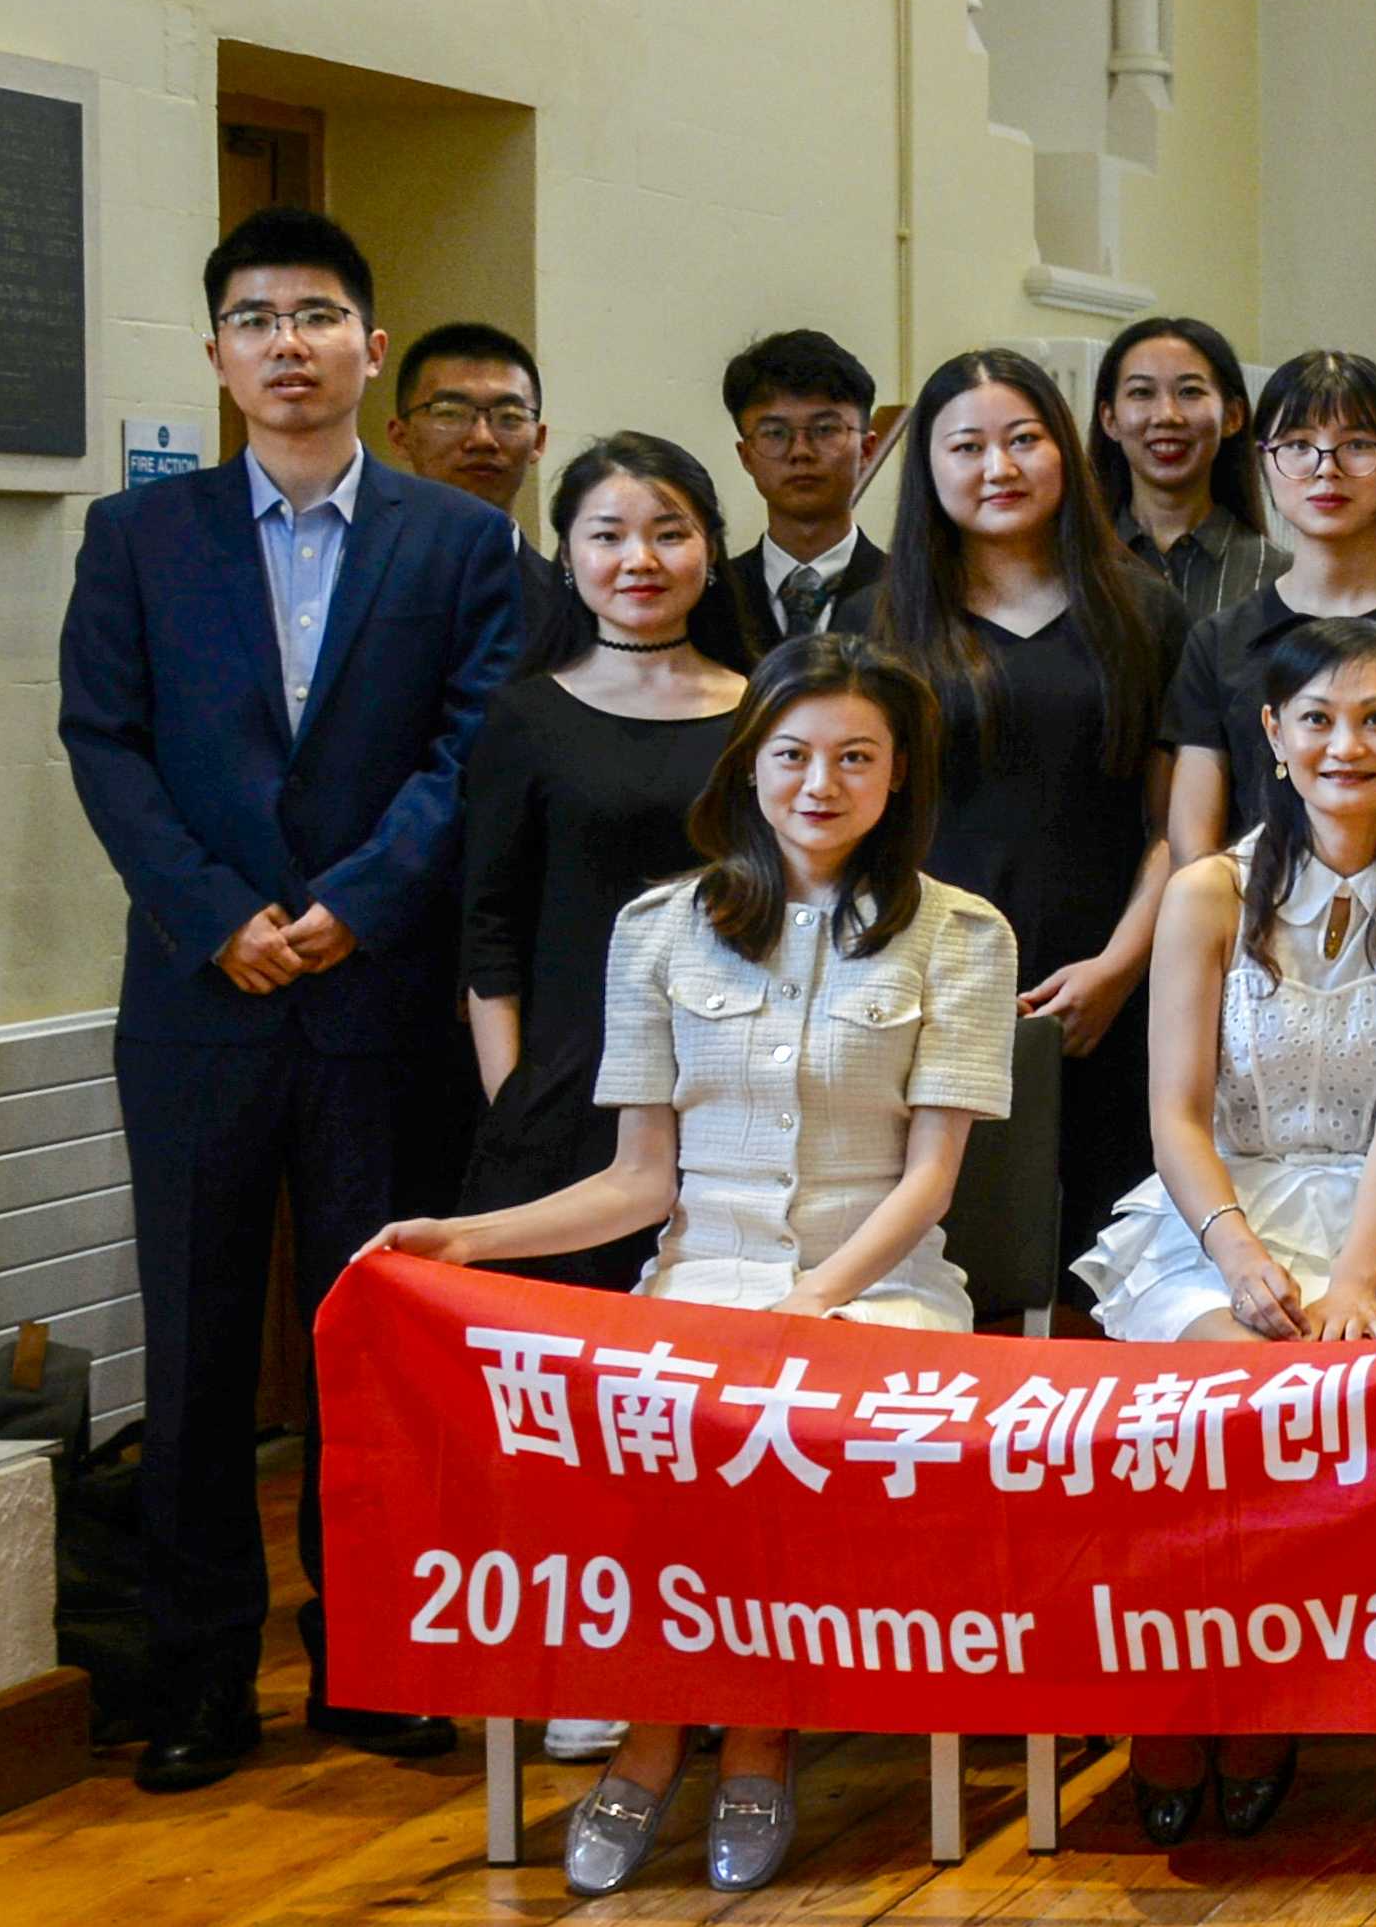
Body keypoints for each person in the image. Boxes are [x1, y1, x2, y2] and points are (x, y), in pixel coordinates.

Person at [374, 635, 1018, 1896]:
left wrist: (813, 1300)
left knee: (780, 1425)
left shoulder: (964, 934)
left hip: (877, 1288)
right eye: (793, 754)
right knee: (640, 1427)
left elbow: (928, 1183)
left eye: (857, 757)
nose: (821, 783)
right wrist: (466, 1237)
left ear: (898, 774)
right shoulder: (658, 928)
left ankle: (753, 1744)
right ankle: (658, 1733)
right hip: (700, 1281)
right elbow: (637, 1183)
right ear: (749, 762)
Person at [59, 205, 525, 1790]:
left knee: (369, 1346)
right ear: (216, 352)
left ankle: (376, 1659)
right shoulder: (140, 534)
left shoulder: (457, 541)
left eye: (315, 314)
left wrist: (356, 902)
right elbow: (104, 739)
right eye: (254, 317)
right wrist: (215, 915)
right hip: (200, 998)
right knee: (195, 1351)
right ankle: (197, 1679)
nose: (286, 342)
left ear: (368, 347)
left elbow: (470, 743)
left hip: (375, 996)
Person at [1088, 613, 1376, 1842]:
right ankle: (1182, 1689)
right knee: (1222, 1398)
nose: (1346, 744)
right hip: (1217, 1208)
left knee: (1357, 1388)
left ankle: (1269, 1691)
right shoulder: (1207, 891)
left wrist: (1357, 1281)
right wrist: (1237, 1252)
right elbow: (1174, 1111)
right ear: (1272, 733)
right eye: (1317, 718)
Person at [852, 346, 1185, 1260]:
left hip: (1111, 988)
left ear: (1066, 452)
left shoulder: (1145, 611)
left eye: (1024, 440)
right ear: (928, 468)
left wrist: (1119, 966)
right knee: (940, 1252)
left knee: (1107, 1263)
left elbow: (1178, 826)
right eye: (966, 447)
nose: (998, 467)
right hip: (922, 985)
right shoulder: (875, 620)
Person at [458, 433, 750, 1294]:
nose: (639, 560)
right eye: (608, 535)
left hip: (733, 1075)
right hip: (565, 1085)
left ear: (710, 548)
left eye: (670, 532)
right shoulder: (525, 716)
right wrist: (512, 1095)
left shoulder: (767, 707)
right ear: (567, 555)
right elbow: (489, 925)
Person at [1164, 350, 1376, 889]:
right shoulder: (1217, 641)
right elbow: (1193, 847)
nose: (1326, 468)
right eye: (1298, 446)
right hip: (1246, 920)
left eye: (1357, 445)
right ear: (1263, 462)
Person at [697, 328, 893, 668]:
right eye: (775, 433)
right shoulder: (708, 598)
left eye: (825, 430)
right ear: (746, 456)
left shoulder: (915, 592)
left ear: (867, 450)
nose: (800, 452)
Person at [388, 321, 573, 648]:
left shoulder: (574, 610)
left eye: (509, 416)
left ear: (539, 441)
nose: (483, 439)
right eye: (450, 413)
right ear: (400, 437)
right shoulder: (354, 585)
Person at [1094, 312, 1287, 622]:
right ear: (1109, 419)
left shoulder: (1279, 576)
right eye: (1142, 392)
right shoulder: (1077, 565)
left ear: (1233, 416)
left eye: (1190, 392)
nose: (1166, 415)